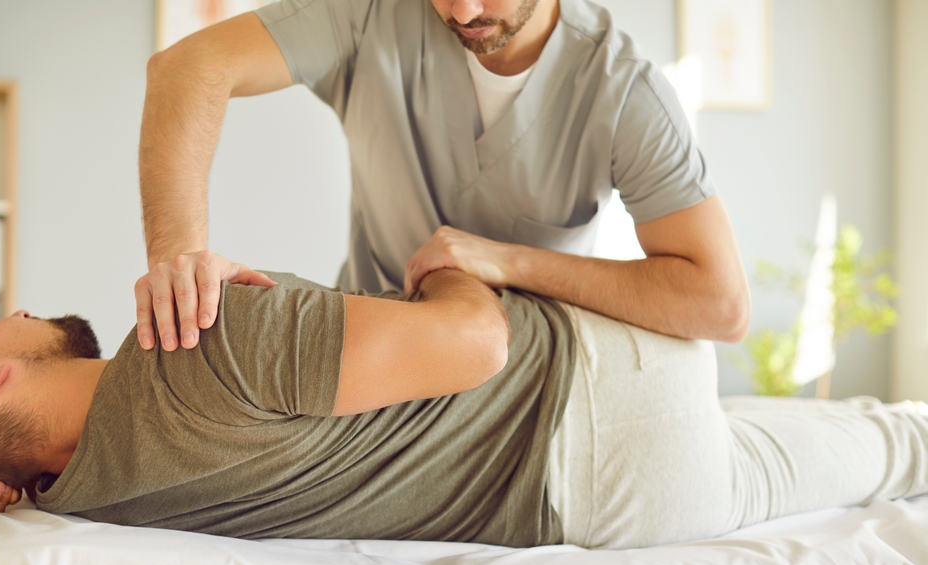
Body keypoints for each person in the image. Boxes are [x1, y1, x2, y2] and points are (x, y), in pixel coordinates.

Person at [0, 268, 926, 549]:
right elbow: (475, 341)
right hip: (602, 393)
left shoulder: (81, 503)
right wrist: (452, 268)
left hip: (603, 507)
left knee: (880, 441)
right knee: (891, 442)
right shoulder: (189, 343)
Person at [134, 0, 751, 359]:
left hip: (519, 390)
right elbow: (188, 67)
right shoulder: (373, 12)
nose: (462, 11)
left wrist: (509, 262)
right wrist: (177, 257)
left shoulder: (624, 92)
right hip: (363, 363)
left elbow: (721, 304)